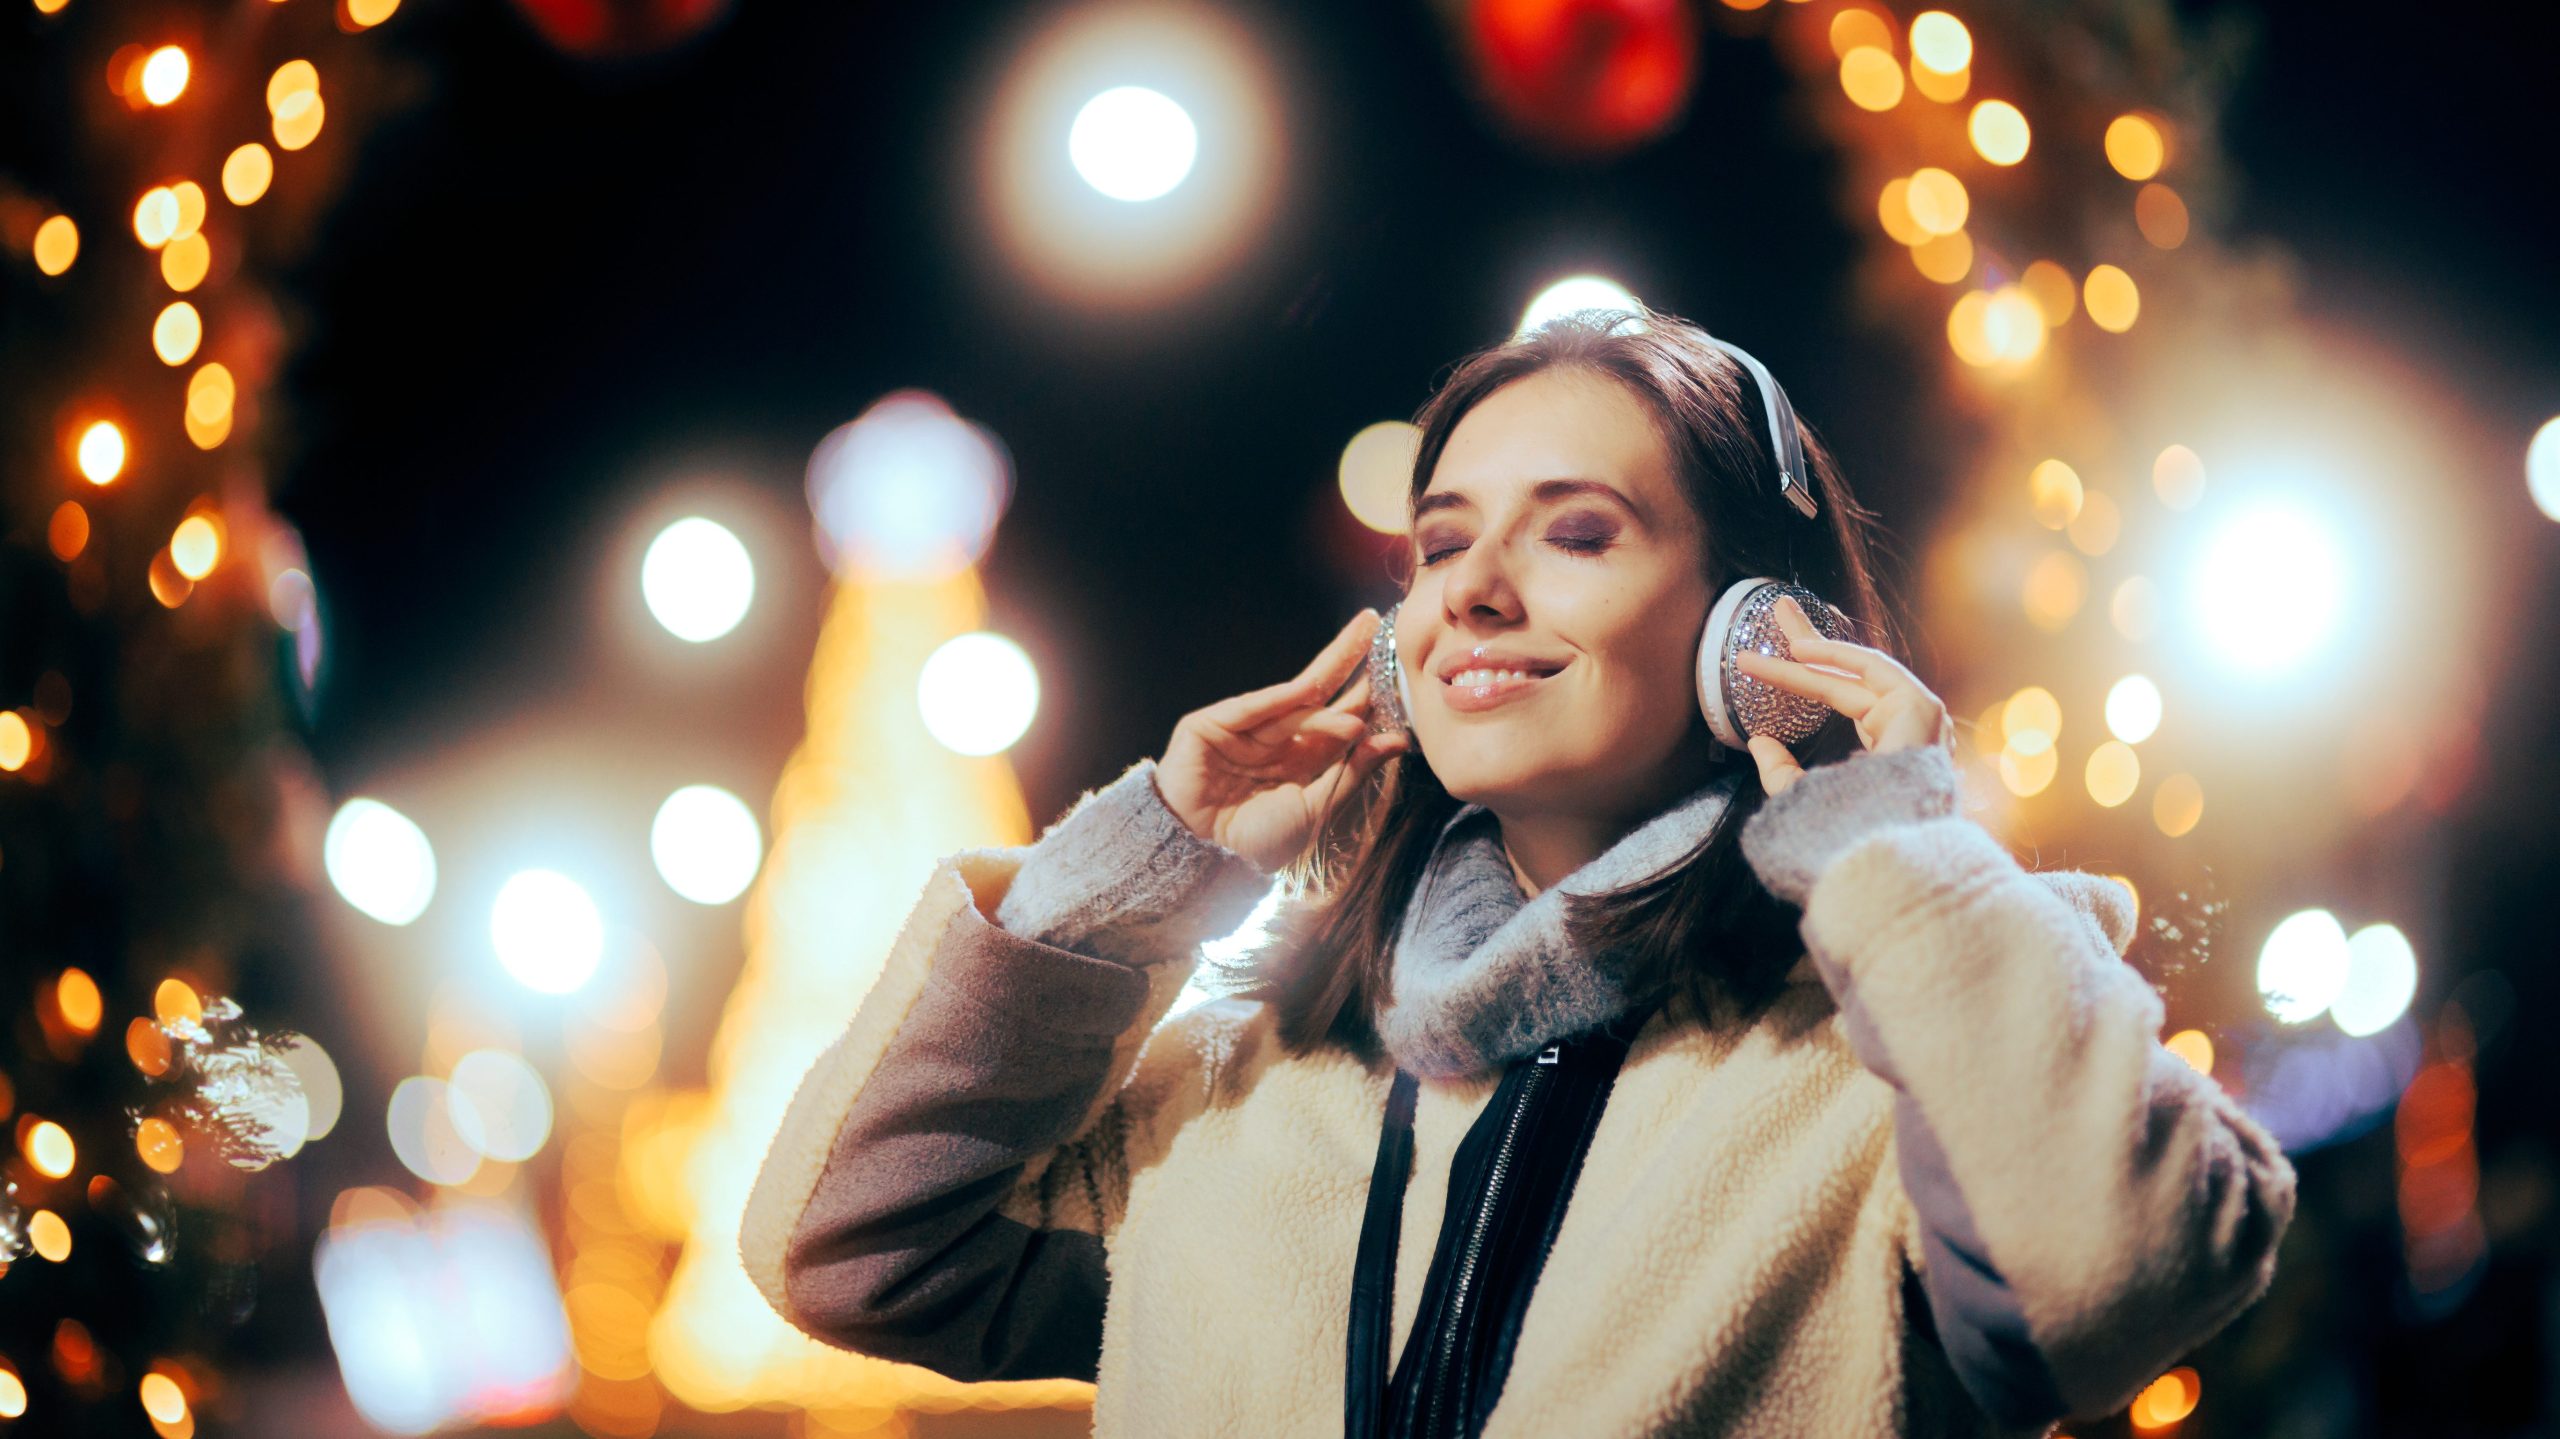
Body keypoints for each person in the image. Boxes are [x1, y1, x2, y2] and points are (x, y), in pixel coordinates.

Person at [739, 309, 2296, 1437]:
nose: (1473, 591)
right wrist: (1153, 856)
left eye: (1578, 533)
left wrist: (1893, 843)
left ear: (1757, 633)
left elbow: (2120, 1270)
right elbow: (844, 1250)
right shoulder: (1239, 1088)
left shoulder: (1898, 1083)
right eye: (1441, 543)